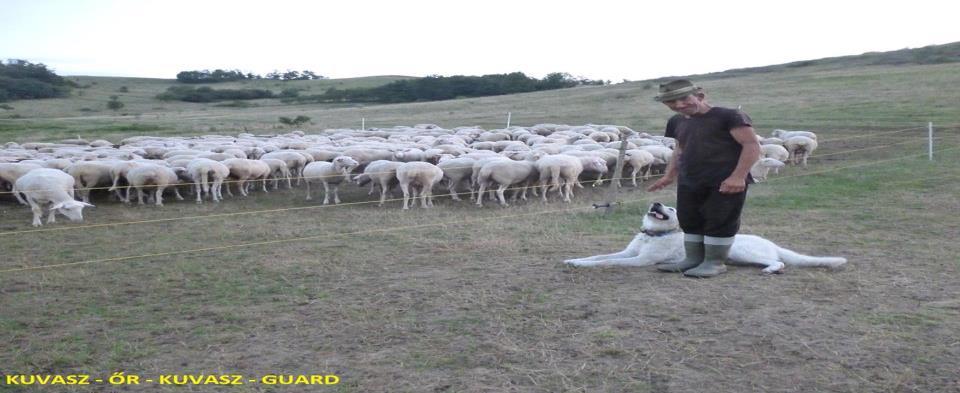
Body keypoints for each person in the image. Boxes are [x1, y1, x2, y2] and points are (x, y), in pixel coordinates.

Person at [646, 79, 761, 278]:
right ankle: (693, 259)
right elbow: (680, 149)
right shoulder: (676, 121)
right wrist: (669, 175)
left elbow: (751, 145)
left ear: (700, 96)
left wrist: (738, 177)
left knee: (720, 219)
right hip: (690, 179)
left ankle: (715, 262)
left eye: (684, 98)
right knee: (690, 219)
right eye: (671, 102)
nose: (679, 105)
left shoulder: (729, 116)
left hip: (724, 180)